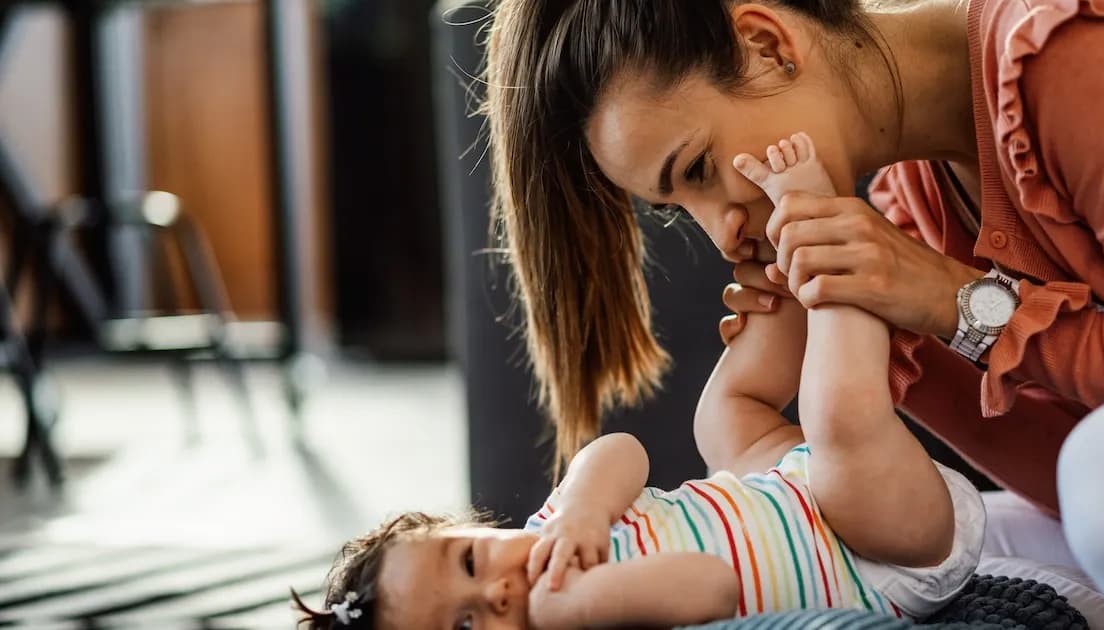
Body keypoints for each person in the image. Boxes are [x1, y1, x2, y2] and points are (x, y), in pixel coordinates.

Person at [483, 0, 1104, 625]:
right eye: (679, 210)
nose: (721, 234)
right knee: (975, 554)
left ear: (767, 44)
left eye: (698, 168)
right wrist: (854, 345)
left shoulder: (1061, 50)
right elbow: (1059, 495)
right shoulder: (904, 218)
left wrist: (951, 302)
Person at [291, 144, 985, 628]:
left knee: (723, 420)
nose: (501, 591)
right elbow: (711, 585)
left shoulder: (555, 527)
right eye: (468, 628)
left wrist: (585, 512)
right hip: (885, 550)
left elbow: (620, 451)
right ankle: (829, 238)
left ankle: (778, 265)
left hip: (794, 489)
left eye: (472, 560)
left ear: (474, 526)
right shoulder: (578, 616)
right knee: (835, 419)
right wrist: (575, 608)